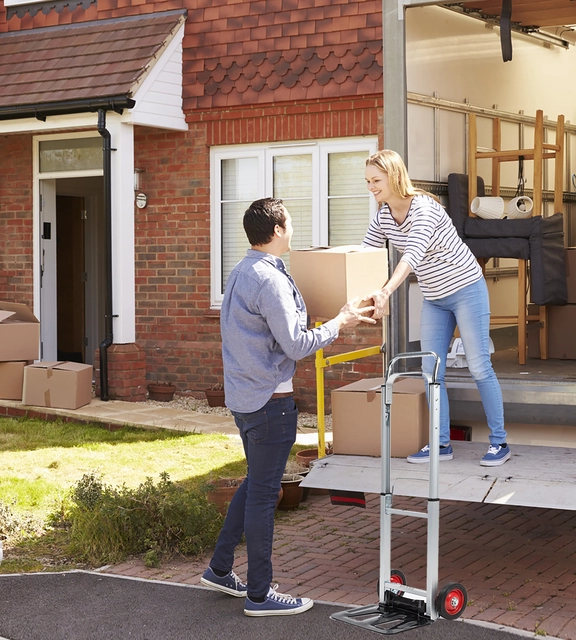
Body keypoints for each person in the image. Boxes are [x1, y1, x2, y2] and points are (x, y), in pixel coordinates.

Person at [200, 197, 375, 616]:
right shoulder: (270, 279)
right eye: (291, 223)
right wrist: (340, 323)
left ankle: (220, 569)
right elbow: (296, 345)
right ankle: (260, 595)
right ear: (277, 229)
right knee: (264, 494)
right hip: (269, 404)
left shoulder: (242, 272)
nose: (294, 229)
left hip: (245, 399)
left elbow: (272, 332)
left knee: (254, 484)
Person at [362, 149, 510, 467]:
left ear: (394, 176)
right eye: (368, 181)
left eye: (376, 180)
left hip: (466, 289)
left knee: (479, 366)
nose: (371, 187)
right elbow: (365, 254)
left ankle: (499, 442)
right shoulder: (383, 216)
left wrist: (386, 291)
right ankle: (441, 443)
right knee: (430, 372)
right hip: (435, 297)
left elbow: (412, 255)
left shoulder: (425, 208)